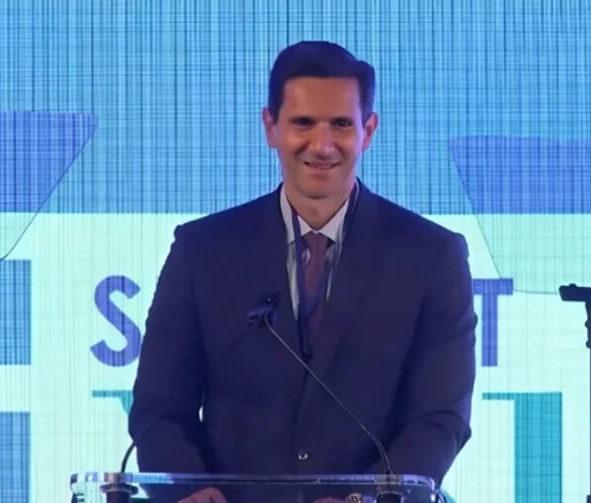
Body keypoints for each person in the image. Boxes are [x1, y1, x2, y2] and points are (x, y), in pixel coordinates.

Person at [129, 41, 477, 501]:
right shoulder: (202, 251)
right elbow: (158, 408)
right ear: (270, 127)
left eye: (341, 124)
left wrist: (364, 500)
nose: (322, 145)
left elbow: (441, 417)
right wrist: (189, 491)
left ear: (368, 131)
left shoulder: (431, 256)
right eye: (303, 123)